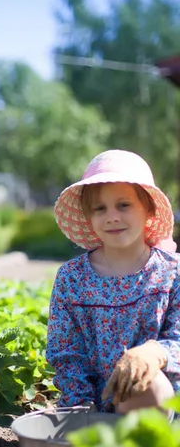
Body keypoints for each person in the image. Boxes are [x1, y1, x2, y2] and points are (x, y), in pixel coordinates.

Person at [46, 149, 180, 415]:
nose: (112, 216)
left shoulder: (172, 272)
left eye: (124, 205)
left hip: (163, 403)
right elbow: (68, 354)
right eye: (100, 208)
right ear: (89, 217)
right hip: (97, 408)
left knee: (144, 383)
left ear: (149, 209)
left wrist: (153, 353)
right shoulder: (72, 278)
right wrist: (79, 409)